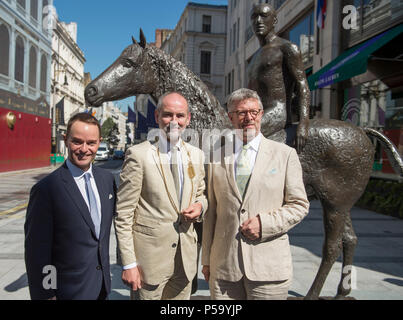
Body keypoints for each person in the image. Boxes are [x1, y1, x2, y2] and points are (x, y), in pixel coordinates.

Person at [201, 88, 309, 300]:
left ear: (261, 114)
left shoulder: (285, 155)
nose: (248, 118)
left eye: (254, 111)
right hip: (224, 269)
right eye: (241, 112)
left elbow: (299, 205)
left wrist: (265, 223)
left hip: (268, 270)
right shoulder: (215, 158)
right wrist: (206, 260)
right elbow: (211, 213)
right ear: (230, 117)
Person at [114, 92, 207, 300]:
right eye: (168, 115)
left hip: (185, 262)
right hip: (149, 265)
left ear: (188, 119)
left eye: (180, 116)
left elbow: (201, 194)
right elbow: (124, 214)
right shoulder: (138, 155)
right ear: (157, 116)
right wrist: (128, 263)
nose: (174, 121)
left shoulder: (197, 155)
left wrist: (200, 206)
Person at [24, 113, 117, 300]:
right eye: (77, 142)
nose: (84, 149)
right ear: (66, 140)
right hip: (67, 292)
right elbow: (37, 252)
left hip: (101, 287)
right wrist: (45, 294)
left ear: (99, 142)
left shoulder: (107, 180)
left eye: (91, 143)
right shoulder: (46, 189)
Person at [247, 3, 310, 153]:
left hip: (276, 113)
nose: (258, 21)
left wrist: (304, 123)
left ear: (274, 21)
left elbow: (302, 86)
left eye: (264, 16)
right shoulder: (255, 57)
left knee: (236, 139)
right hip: (256, 113)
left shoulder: (287, 48)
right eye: (254, 17)